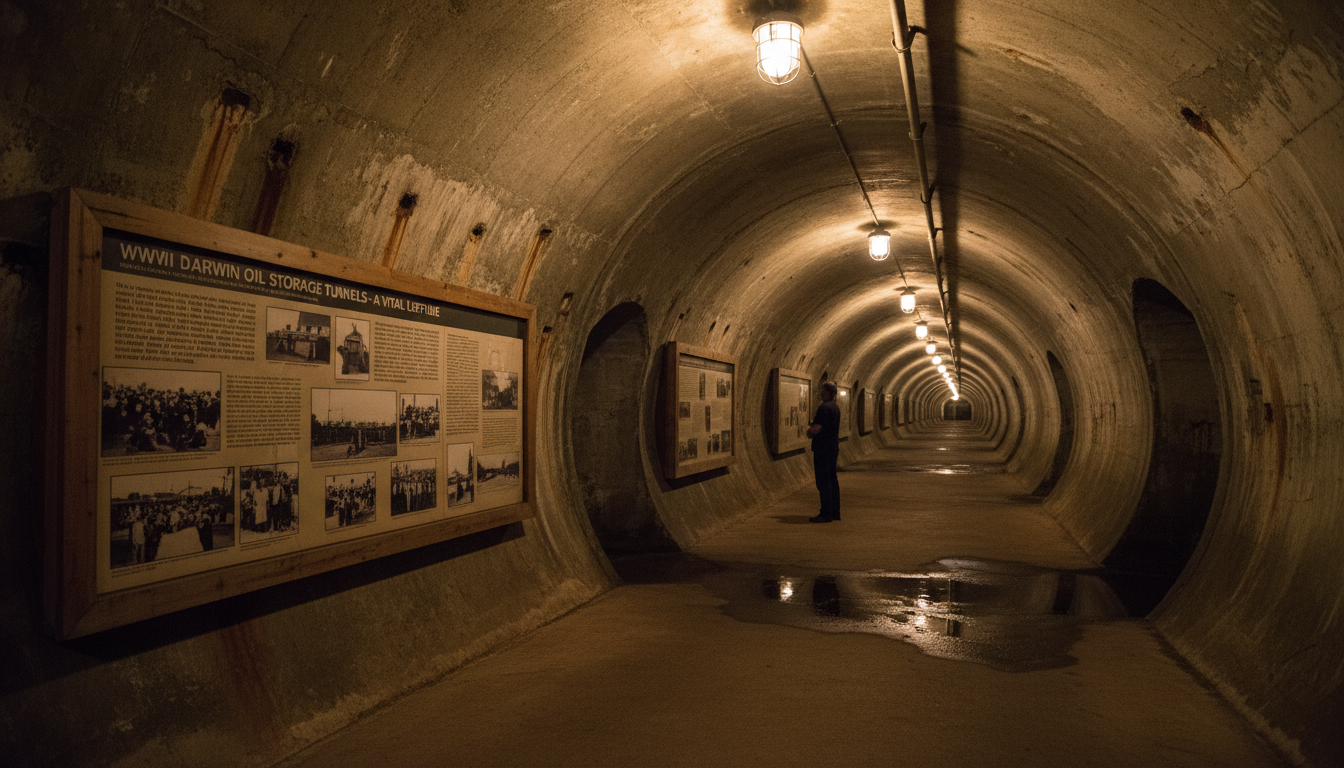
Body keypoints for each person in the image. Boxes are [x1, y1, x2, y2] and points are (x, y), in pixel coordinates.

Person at [807, 381, 841, 522]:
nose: (821, 393)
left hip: (823, 449)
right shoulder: (835, 407)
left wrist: (810, 431)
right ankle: (835, 512)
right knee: (832, 480)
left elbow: (817, 428)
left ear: (828, 393)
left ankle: (825, 513)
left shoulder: (824, 408)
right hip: (832, 448)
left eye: (823, 391)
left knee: (823, 481)